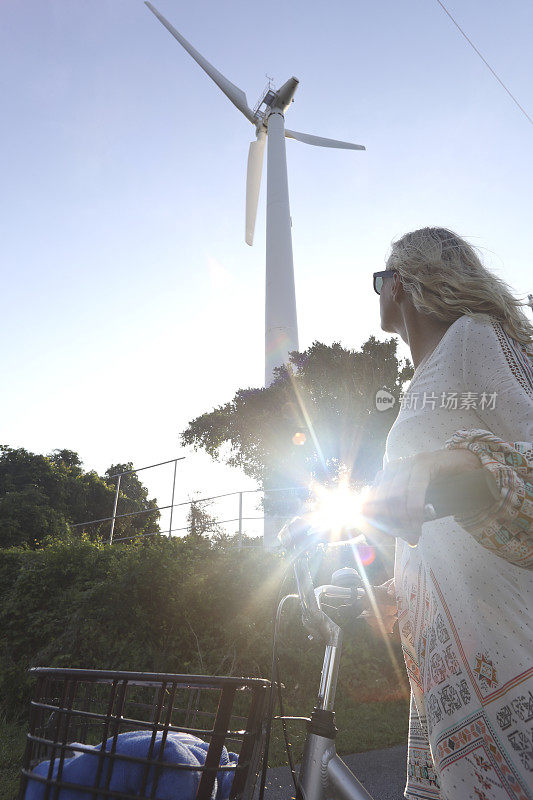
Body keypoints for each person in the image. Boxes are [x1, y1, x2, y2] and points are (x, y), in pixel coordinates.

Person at [361, 227, 533, 800]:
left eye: (380, 279)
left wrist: (453, 459)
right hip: (446, 659)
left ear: (401, 285)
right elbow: (434, 529)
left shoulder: (473, 337)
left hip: (503, 638)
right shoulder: (424, 379)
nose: (380, 292)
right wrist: (389, 593)